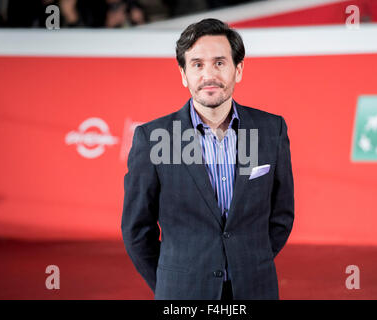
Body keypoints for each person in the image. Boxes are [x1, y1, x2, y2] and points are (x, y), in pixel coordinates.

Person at [121, 18, 294, 300]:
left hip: (255, 289)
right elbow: (136, 230)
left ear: (238, 70)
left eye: (219, 63)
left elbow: (282, 216)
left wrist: (247, 262)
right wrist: (172, 281)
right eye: (197, 64)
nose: (208, 75)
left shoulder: (270, 130)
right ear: (183, 74)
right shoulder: (153, 137)